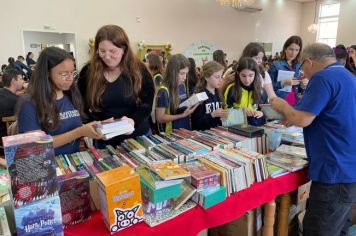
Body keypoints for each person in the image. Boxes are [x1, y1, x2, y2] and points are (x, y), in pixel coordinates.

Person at [270, 43, 356, 236]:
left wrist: (283, 106)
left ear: (308, 62)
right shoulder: (348, 76)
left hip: (334, 172)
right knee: (338, 227)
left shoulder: (322, 77)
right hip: (348, 168)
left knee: (319, 230)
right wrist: (293, 114)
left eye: (302, 68)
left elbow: (301, 119)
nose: (303, 75)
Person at [17, 47, 102, 155]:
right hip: (48, 166)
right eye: (64, 74)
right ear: (47, 73)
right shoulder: (29, 103)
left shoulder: (72, 94)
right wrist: (78, 132)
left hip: (73, 162)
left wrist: (97, 128)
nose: (70, 78)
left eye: (72, 72)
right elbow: (36, 146)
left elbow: (77, 126)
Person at [86, 24, 155, 147]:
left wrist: (134, 120)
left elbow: (147, 104)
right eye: (102, 51)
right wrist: (94, 123)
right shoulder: (88, 71)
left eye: (113, 51)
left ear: (124, 49)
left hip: (138, 135)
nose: (106, 56)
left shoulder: (139, 70)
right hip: (105, 138)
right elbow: (81, 106)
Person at [155, 54, 198, 134]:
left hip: (185, 128)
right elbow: (160, 118)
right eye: (182, 73)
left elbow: (181, 106)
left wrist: (193, 100)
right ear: (172, 72)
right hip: (171, 132)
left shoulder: (182, 85)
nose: (185, 77)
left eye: (186, 73)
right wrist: (182, 115)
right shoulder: (164, 91)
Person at [269, 36, 308, 105]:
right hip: (280, 102)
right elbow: (268, 87)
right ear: (285, 48)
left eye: (297, 50)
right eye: (291, 49)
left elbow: (300, 90)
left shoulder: (299, 66)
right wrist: (283, 82)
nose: (293, 53)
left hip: (295, 102)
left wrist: (303, 85)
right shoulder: (276, 65)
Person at [224, 57, 264, 125]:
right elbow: (225, 111)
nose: (247, 80)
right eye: (243, 76)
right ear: (238, 74)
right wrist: (240, 111)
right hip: (237, 126)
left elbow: (264, 109)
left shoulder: (261, 90)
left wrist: (261, 113)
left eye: (251, 76)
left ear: (255, 74)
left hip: (255, 126)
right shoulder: (231, 89)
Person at [191, 61, 228, 130]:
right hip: (203, 135)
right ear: (207, 77)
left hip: (218, 132)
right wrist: (212, 115)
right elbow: (196, 123)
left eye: (221, 77)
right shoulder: (198, 96)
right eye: (217, 77)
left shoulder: (218, 93)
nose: (220, 80)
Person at [0, 69, 25, 153]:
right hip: (6, 142)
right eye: (21, 78)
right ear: (14, 81)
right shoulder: (17, 101)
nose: (23, 81)